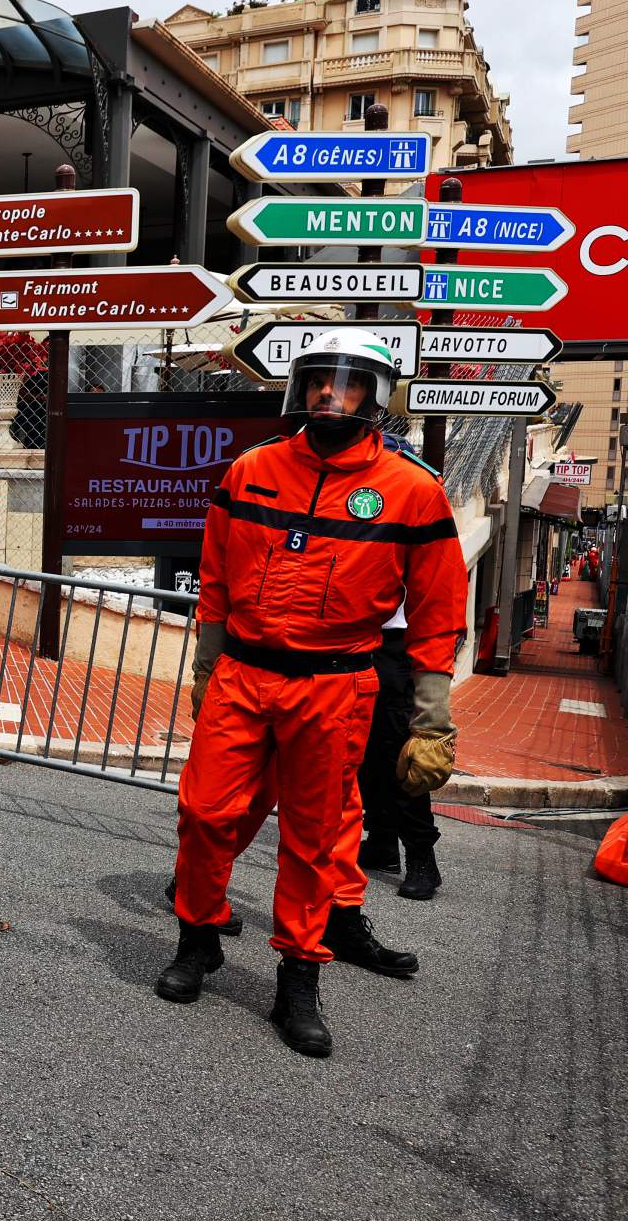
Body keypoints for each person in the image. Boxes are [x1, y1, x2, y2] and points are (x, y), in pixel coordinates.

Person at [157, 330, 464, 1059]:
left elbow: (438, 608)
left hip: (334, 684)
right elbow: (216, 580)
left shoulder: (412, 490)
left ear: (375, 397)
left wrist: (433, 718)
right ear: (300, 387)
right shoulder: (251, 470)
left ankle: (299, 979)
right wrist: (206, 670)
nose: (330, 395)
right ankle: (198, 940)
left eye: (348, 383)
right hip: (243, 673)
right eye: (319, 380)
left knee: (314, 837)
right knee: (203, 812)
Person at [358, 601, 442, 900]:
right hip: (356, 637)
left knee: (401, 753)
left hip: (399, 640)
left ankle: (422, 858)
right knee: (364, 748)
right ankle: (382, 842)